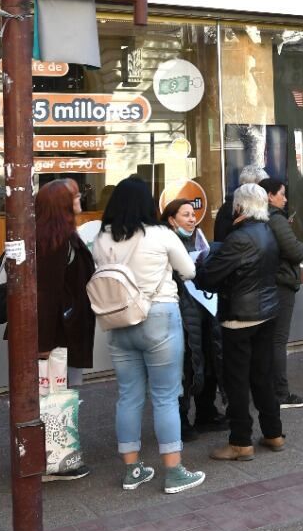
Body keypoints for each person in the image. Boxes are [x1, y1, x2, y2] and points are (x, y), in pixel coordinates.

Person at [94, 177, 204, 494]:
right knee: (166, 397)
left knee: (128, 396)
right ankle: (174, 471)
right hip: (159, 317)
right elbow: (190, 271)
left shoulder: (103, 238)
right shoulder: (160, 235)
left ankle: (132, 470)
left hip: (118, 320)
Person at [195, 183, 287, 461]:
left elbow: (209, 278)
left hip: (239, 316)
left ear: (240, 206)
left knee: (236, 380)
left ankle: (240, 441)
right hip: (267, 311)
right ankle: (273, 433)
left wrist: (200, 265)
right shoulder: (269, 232)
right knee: (262, 376)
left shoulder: (239, 238)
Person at [34, 180, 97, 479]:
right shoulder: (53, 241)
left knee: (59, 395)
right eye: (75, 196)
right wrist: (43, 342)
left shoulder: (61, 237)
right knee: (55, 395)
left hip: (65, 331)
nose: (80, 199)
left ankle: (58, 455)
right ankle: (54, 459)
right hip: (58, 335)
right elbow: (46, 294)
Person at [162, 199, 227, 440]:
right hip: (181, 312)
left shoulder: (200, 239)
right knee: (185, 367)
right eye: (185, 215)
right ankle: (180, 419)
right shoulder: (167, 242)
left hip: (205, 309)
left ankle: (206, 412)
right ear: (171, 219)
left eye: (193, 214)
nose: (191, 219)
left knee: (209, 361)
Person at [258, 177, 303, 408]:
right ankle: (280, 393)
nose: (285, 198)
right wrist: (301, 245)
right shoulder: (275, 219)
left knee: (266, 339)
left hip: (262, 282)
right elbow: (296, 251)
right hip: (280, 282)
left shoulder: (254, 218)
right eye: (281, 193)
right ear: (269, 196)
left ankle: (264, 388)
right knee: (278, 340)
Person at [214, 165, 268, 245]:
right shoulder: (231, 206)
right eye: (261, 186)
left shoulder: (250, 204)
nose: (263, 190)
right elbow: (226, 237)